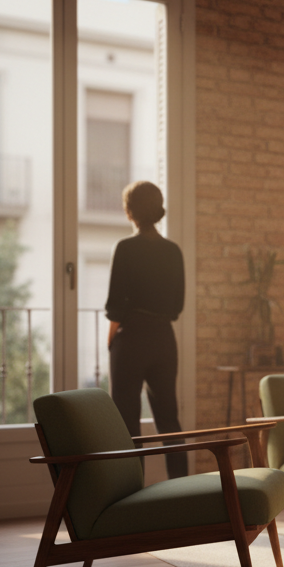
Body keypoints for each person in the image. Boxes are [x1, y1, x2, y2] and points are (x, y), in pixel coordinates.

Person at [105, 181, 188, 478]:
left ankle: (131, 493)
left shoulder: (125, 248)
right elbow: (177, 306)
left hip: (131, 340)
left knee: (128, 422)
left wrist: (112, 338)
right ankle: (182, 490)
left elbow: (115, 305)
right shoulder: (173, 251)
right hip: (165, 339)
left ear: (129, 212)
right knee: (168, 419)